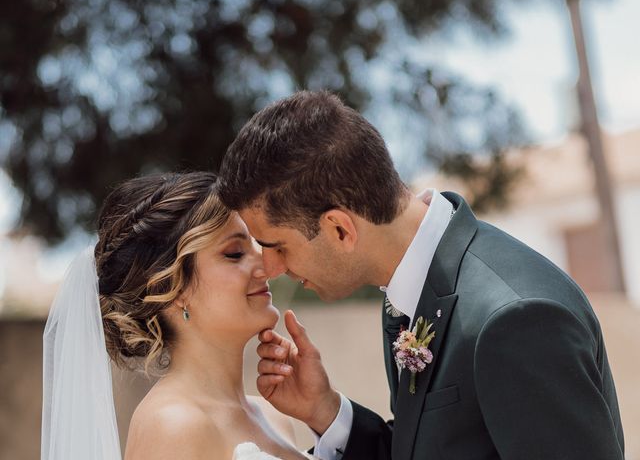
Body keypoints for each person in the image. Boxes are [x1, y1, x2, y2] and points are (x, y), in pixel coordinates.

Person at [218, 90, 625, 460]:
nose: (271, 269)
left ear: (340, 229)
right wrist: (325, 409)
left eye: (277, 246)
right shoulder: (408, 293)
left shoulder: (515, 319)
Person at [41, 172, 311, 460]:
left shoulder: (274, 415)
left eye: (256, 245)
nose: (266, 264)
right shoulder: (172, 425)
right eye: (234, 253)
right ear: (172, 287)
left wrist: (323, 409)